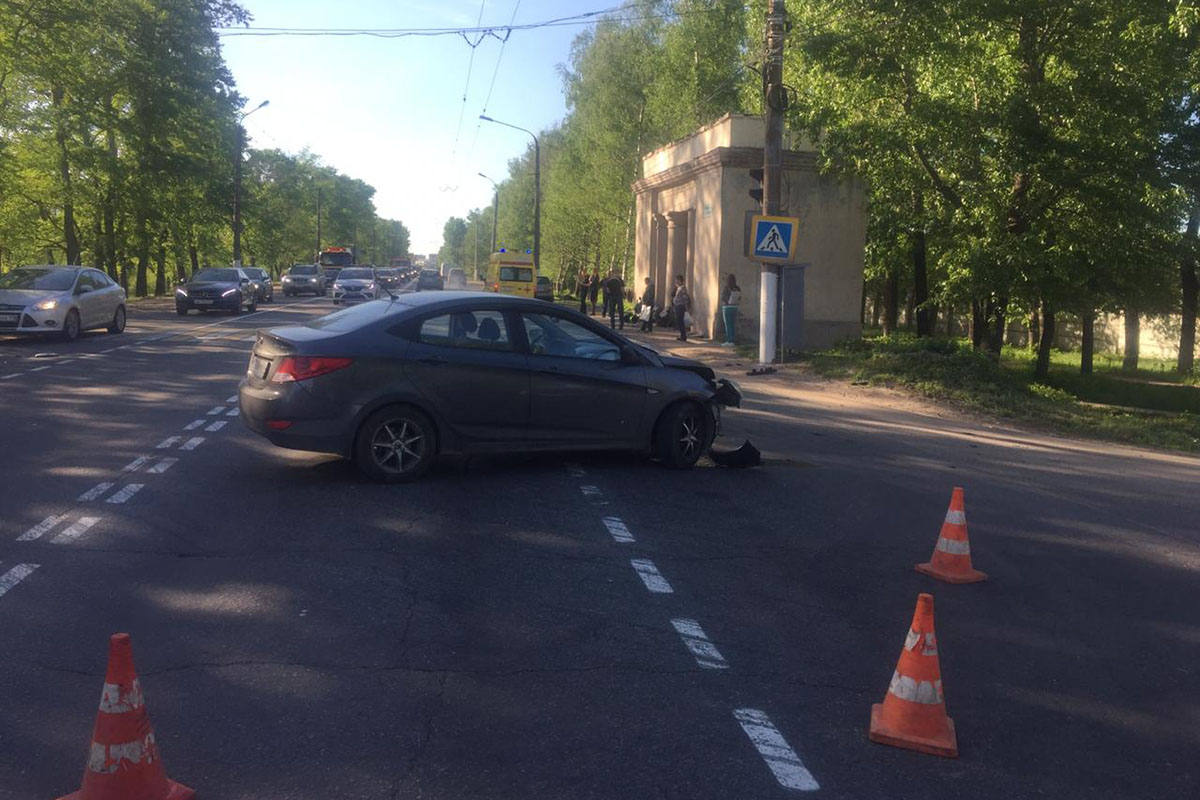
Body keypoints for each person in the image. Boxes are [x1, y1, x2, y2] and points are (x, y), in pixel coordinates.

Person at [719, 273, 742, 346]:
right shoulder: (738, 288)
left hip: (727, 307)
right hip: (735, 307)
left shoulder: (727, 288)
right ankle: (732, 340)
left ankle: (729, 340)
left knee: (728, 324)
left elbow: (723, 298)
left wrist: (723, 302)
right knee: (732, 324)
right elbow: (739, 297)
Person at [672, 274, 691, 341]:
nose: (676, 282)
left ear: (680, 281)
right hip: (677, 306)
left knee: (681, 322)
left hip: (680, 306)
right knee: (679, 321)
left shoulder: (683, 288)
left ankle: (683, 336)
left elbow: (685, 298)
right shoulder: (678, 288)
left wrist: (686, 307)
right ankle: (682, 335)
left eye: (677, 280)